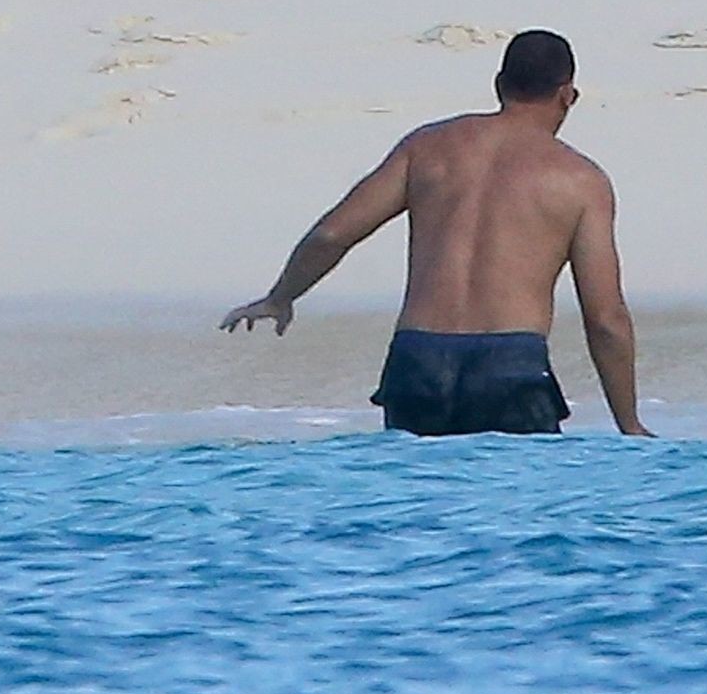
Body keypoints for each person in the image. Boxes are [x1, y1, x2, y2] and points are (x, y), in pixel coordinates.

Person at [220, 29, 651, 437]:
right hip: (510, 364)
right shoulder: (580, 180)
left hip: (417, 361)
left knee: (418, 490)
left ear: (499, 84)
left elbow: (332, 235)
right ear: (568, 95)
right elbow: (605, 319)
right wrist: (629, 424)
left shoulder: (426, 148)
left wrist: (280, 297)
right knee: (514, 490)